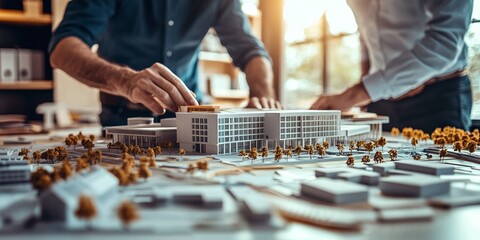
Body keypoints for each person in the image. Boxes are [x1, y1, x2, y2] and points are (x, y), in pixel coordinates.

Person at [49, 0, 280, 127]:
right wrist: (127, 81)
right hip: (123, 119)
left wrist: (264, 104)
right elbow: (63, 49)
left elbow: (251, 52)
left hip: (194, 121)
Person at [310, 0, 474, 133]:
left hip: (437, 99)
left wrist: (356, 94)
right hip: (379, 100)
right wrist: (368, 86)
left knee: (444, 168)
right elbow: (366, 31)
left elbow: (444, 43)